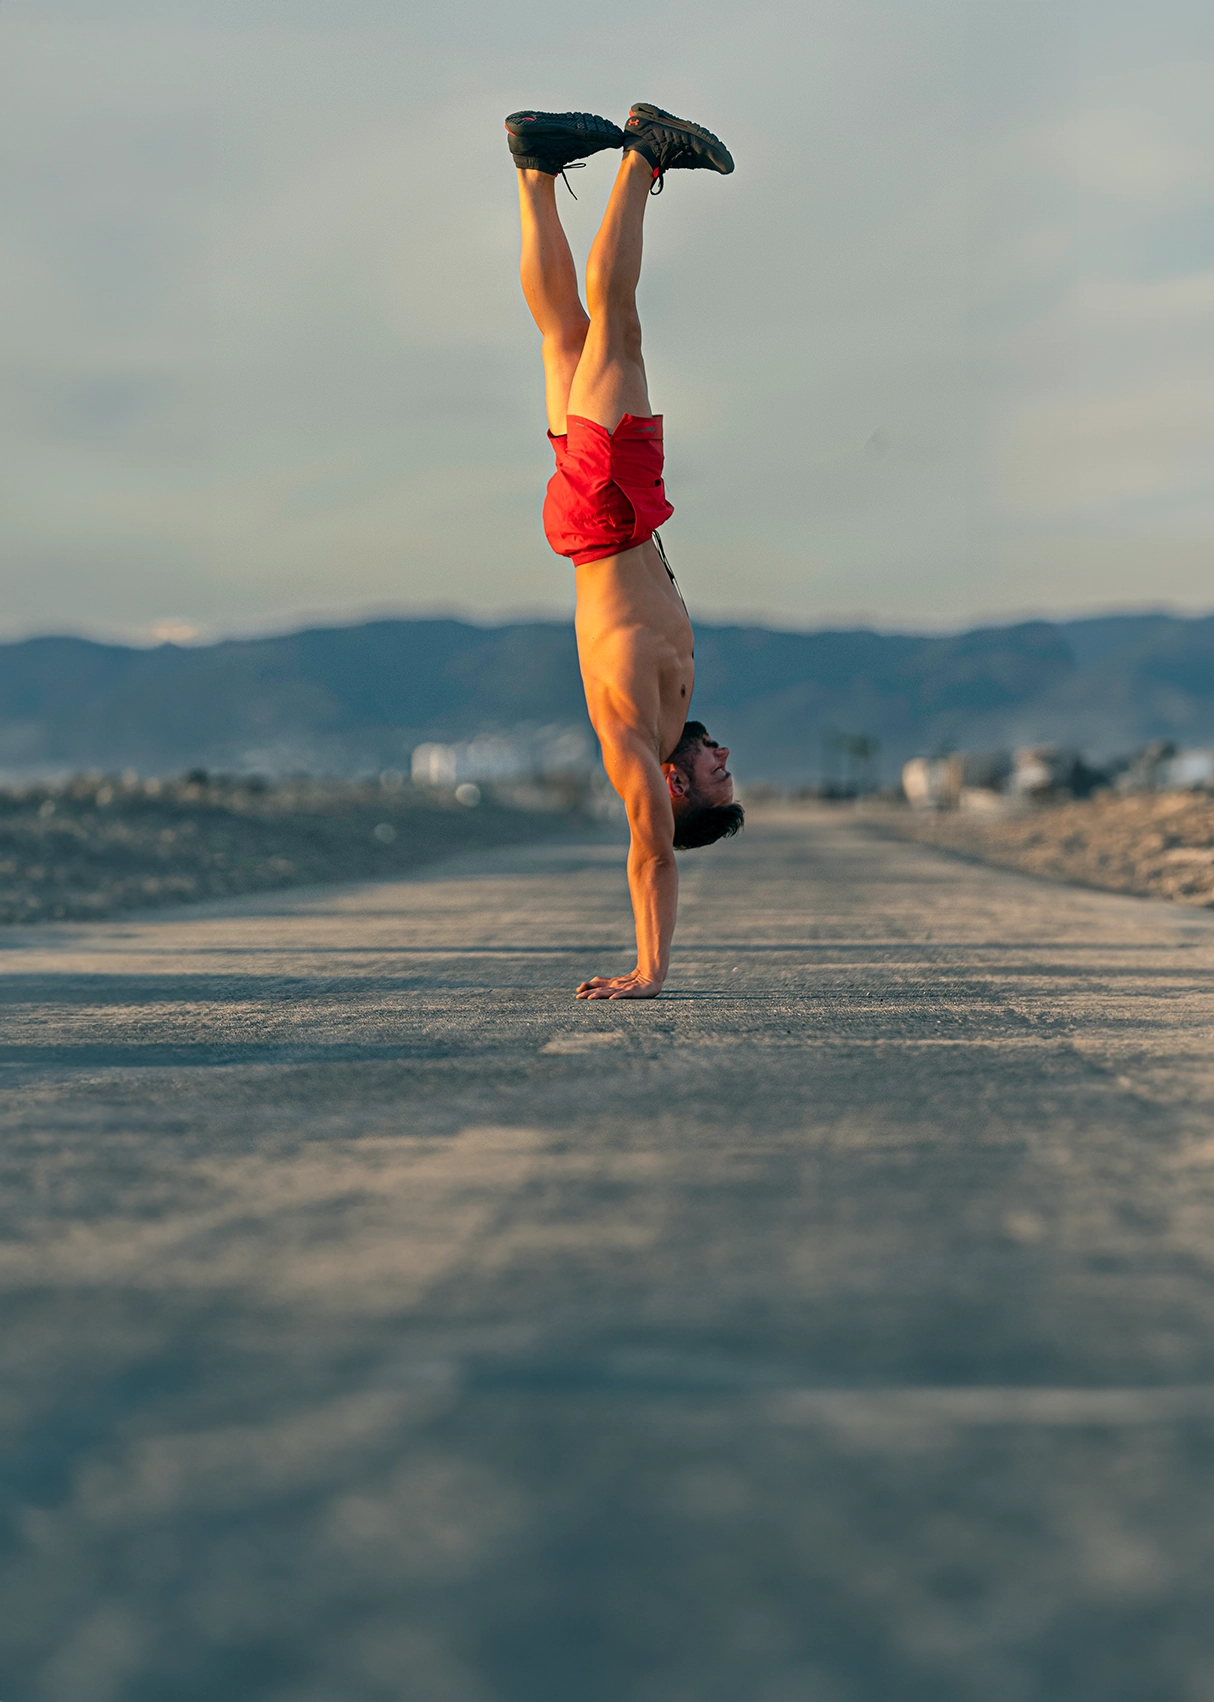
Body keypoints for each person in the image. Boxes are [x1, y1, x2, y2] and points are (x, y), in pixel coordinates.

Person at [507, 103, 745, 1000]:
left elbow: (651, 860)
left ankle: (645, 156)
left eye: (715, 782)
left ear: (676, 792)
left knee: (615, 324)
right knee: (568, 334)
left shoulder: (633, 752)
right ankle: (536, 170)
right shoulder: (664, 719)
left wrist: (652, 968)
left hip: (608, 509)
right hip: (609, 515)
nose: (724, 764)